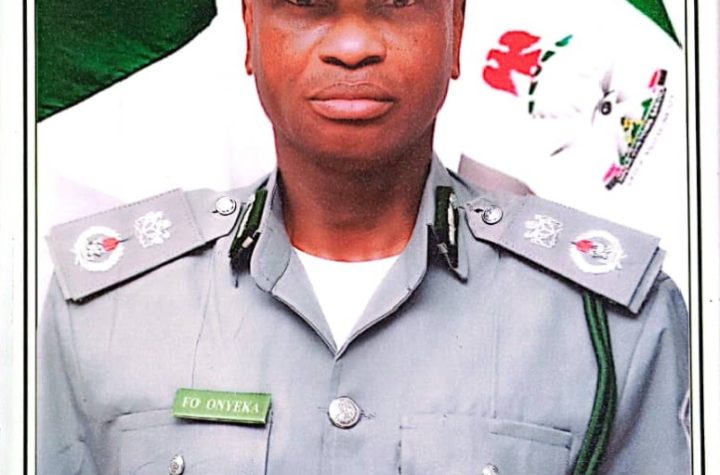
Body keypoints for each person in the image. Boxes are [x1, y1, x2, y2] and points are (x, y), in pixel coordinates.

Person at [38, 0, 690, 473]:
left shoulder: (609, 326)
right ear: (249, 31)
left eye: (398, 2)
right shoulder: (105, 311)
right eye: (306, 3)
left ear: (457, 30)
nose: (352, 45)